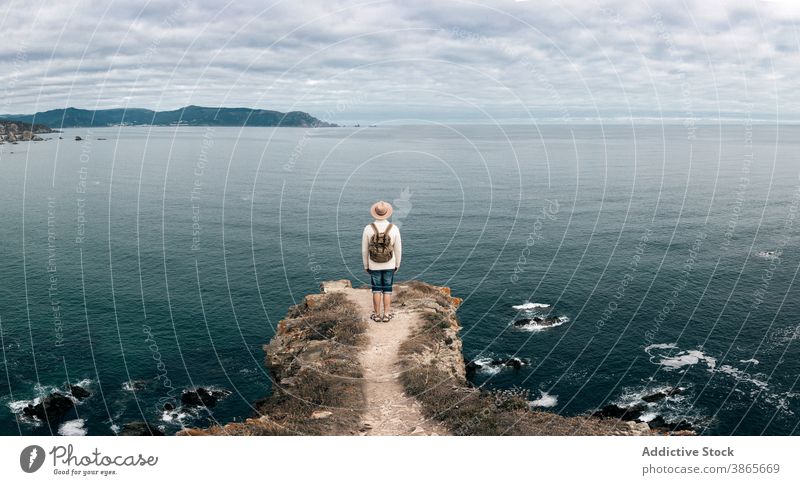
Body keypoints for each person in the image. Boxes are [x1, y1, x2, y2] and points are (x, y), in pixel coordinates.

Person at [362, 200, 402, 322]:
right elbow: (398, 249)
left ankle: (377, 315)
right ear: (387, 213)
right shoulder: (394, 228)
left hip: (374, 264)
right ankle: (386, 315)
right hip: (390, 263)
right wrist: (397, 264)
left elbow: (364, 250)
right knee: (387, 290)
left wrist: (366, 265)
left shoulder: (368, 228)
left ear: (375, 213)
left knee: (376, 290)